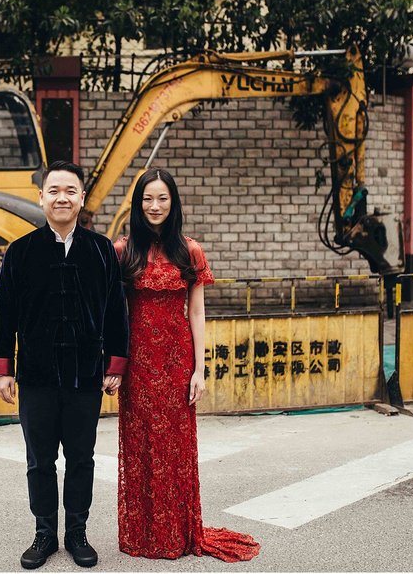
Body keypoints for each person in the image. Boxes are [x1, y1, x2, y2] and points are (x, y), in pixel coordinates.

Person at [114, 169, 260, 563]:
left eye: (162, 198)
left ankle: (177, 531)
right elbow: (114, 312)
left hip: (177, 360)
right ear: (138, 203)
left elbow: (196, 312)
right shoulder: (122, 250)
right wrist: (114, 363)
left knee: (176, 447)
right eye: (148, 199)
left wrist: (200, 368)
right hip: (138, 362)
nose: (155, 206)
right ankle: (144, 533)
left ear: (173, 203)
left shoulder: (190, 250)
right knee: (141, 443)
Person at [0, 160, 129, 570]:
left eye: (70, 190)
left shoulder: (101, 250)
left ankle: (78, 532)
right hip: (36, 375)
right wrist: (3, 368)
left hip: (85, 375)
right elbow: (4, 315)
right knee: (40, 459)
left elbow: (116, 314)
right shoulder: (21, 252)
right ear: (42, 197)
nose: (62, 197)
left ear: (82, 198)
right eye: (54, 191)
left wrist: (115, 364)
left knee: (82, 458)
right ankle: (45, 533)